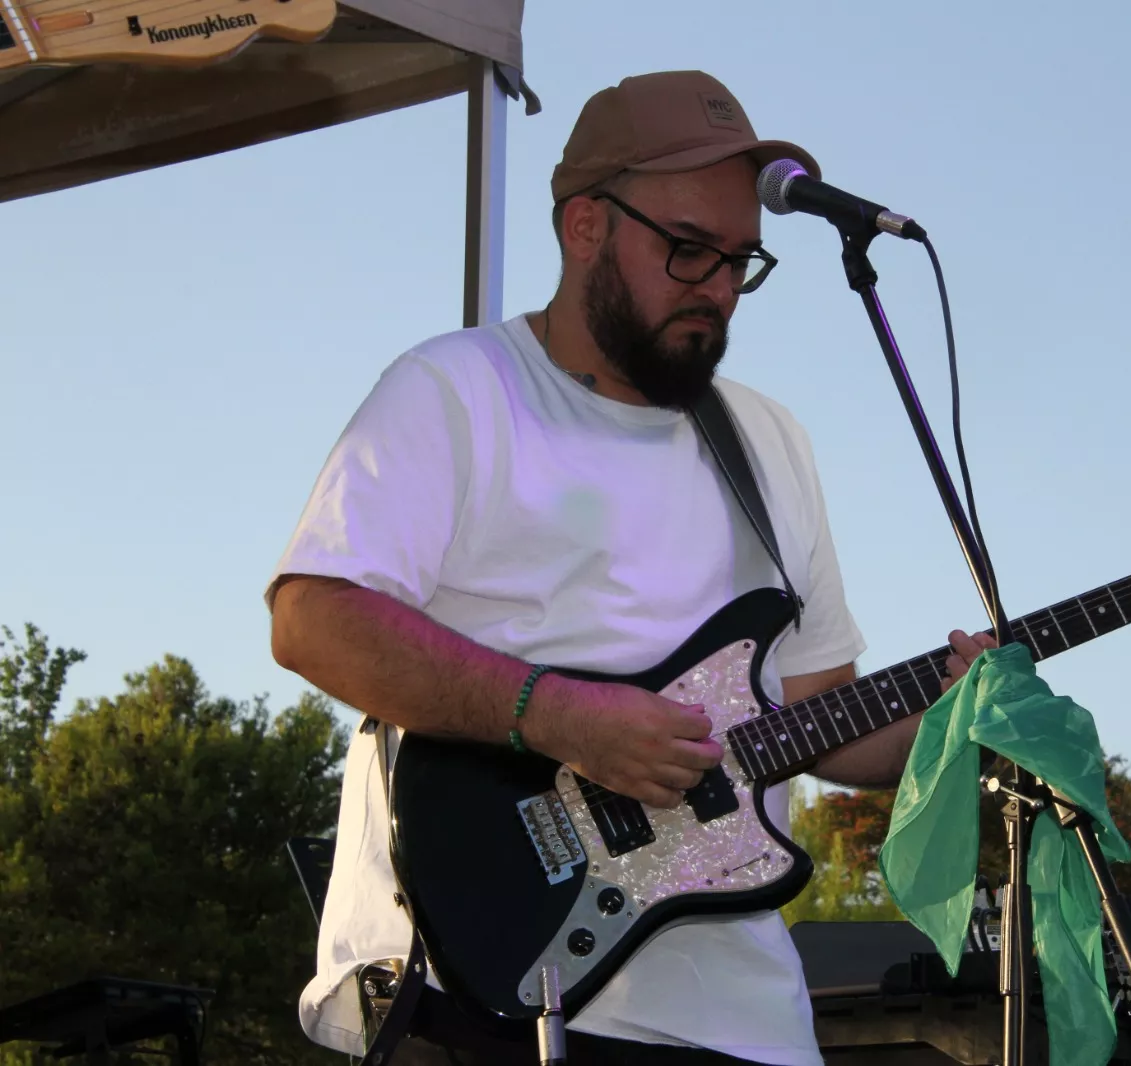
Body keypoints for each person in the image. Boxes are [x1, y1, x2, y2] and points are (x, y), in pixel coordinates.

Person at [266, 70, 995, 1066]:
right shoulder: (457, 389)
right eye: (688, 249)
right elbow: (313, 618)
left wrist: (952, 716)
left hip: (747, 1021)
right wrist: (555, 715)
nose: (718, 288)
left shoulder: (768, 440)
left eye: (739, 261)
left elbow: (819, 712)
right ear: (586, 227)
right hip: (497, 992)